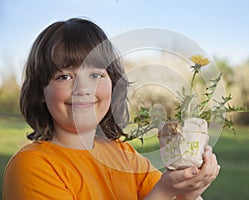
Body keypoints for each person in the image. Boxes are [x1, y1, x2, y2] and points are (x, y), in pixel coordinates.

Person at [2, 18, 220, 200]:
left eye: (96, 75)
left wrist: (188, 191)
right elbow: (161, 193)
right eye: (65, 76)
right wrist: (165, 191)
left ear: (113, 84)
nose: (83, 89)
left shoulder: (123, 154)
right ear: (40, 92)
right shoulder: (32, 167)